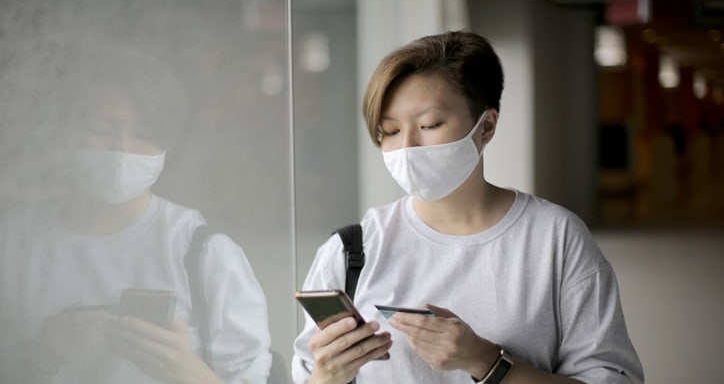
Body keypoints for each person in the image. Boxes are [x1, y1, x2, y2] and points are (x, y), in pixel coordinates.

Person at [292, 30, 644, 384]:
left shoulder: (554, 238)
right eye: (391, 131)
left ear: (486, 126)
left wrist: (487, 361)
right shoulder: (353, 250)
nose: (408, 147)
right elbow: (308, 374)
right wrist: (327, 376)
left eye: (429, 125)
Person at [0, 44, 272, 384]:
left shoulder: (201, 250)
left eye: (144, 134)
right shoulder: (13, 242)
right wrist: (43, 352)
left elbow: (252, 375)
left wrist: (183, 369)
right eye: (101, 129)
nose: (121, 150)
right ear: (65, 130)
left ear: (167, 144)